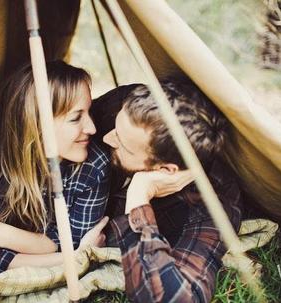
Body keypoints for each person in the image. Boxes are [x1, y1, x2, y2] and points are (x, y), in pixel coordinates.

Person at [90, 78, 243, 303]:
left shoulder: (212, 208)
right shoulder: (128, 109)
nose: (105, 136)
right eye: (115, 127)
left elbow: (173, 299)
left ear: (165, 170)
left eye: (122, 144)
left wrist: (139, 196)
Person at [0, 61, 111, 277]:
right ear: (36, 124)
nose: (92, 128)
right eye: (76, 118)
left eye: (89, 112)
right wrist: (77, 256)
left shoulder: (94, 166)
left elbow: (70, 242)